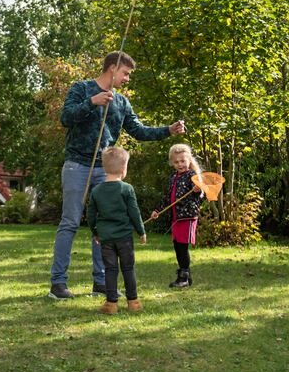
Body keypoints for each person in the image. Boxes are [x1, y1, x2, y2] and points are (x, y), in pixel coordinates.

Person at [48, 51, 185, 300]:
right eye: (125, 73)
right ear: (112, 68)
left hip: (106, 171)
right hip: (76, 166)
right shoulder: (81, 89)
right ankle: (58, 284)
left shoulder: (122, 102)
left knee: (104, 226)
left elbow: (138, 130)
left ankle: (101, 282)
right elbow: (66, 118)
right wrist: (92, 102)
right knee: (70, 223)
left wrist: (168, 130)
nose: (127, 78)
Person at [87, 146, 145, 314]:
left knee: (110, 270)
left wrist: (95, 232)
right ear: (123, 168)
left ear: (105, 168)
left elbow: (91, 215)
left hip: (106, 239)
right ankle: (133, 301)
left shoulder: (97, 190)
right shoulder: (126, 189)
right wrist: (141, 231)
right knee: (128, 268)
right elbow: (134, 212)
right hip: (124, 238)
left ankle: (111, 303)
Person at [150, 144, 204, 289]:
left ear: (189, 160)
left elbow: (200, 195)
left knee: (182, 247)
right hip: (176, 217)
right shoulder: (173, 177)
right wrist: (158, 210)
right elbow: (168, 197)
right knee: (177, 246)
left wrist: (197, 190)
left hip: (187, 216)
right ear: (172, 163)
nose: (180, 164)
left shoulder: (192, 175)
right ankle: (185, 274)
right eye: (176, 162)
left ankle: (184, 278)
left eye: (182, 161)